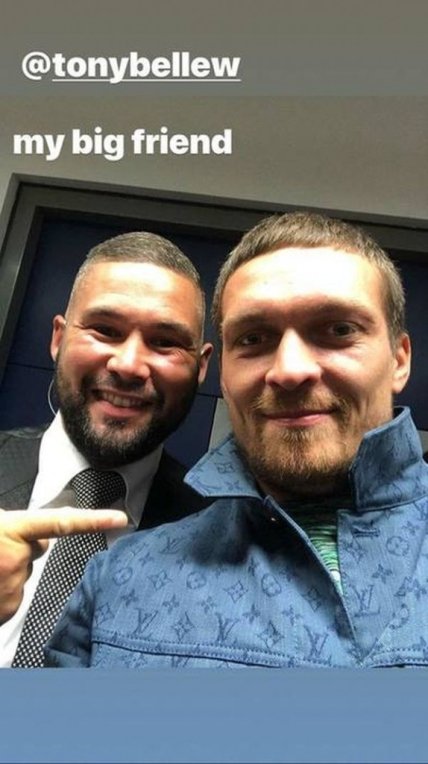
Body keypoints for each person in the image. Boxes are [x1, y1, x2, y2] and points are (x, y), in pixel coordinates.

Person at [45, 211, 428, 669]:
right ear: (223, 373)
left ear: (399, 359)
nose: (289, 370)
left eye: (338, 330)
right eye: (253, 338)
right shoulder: (116, 581)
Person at [0, 231, 212, 667]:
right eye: (105, 331)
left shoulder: (219, 538)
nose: (129, 366)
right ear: (58, 338)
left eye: (165, 342)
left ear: (201, 366)